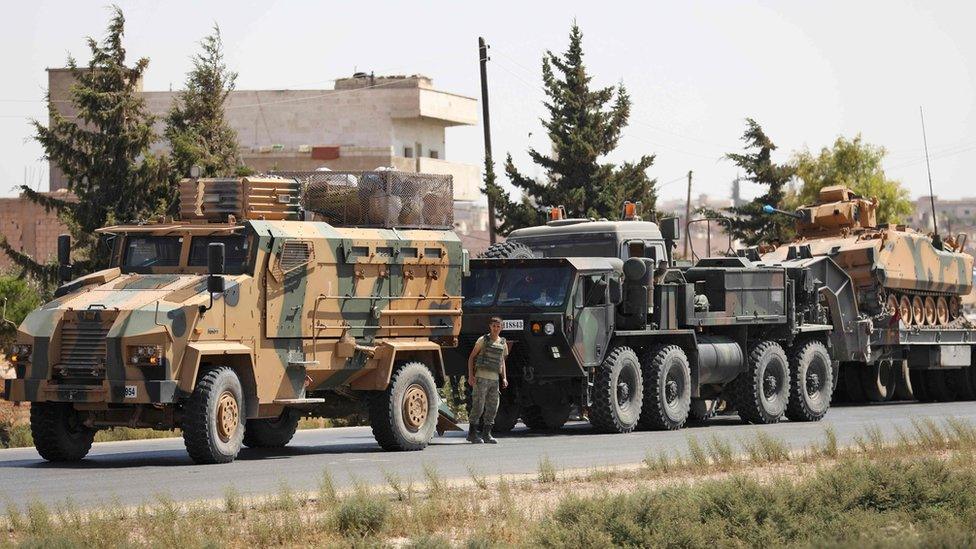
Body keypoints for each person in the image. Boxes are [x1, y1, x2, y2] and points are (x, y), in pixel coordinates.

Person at [466, 317, 509, 444]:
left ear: (501, 327)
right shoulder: (482, 340)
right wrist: (471, 375)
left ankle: (487, 434)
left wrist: (504, 378)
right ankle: (472, 434)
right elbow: (471, 358)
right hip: (481, 378)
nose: (496, 328)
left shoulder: (502, 343)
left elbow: (502, 361)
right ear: (490, 326)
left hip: (494, 380)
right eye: (494, 326)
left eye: (498, 326)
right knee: (478, 407)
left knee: (492, 407)